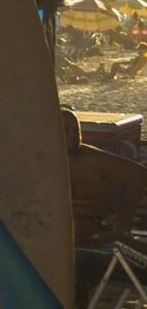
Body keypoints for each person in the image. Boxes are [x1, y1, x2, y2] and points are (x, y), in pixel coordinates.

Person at [65, 110, 147, 304]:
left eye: (75, 130)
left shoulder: (91, 160)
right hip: (83, 246)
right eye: (65, 130)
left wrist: (123, 225)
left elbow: (138, 174)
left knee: (76, 262)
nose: (71, 135)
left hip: (97, 248)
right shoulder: (42, 161)